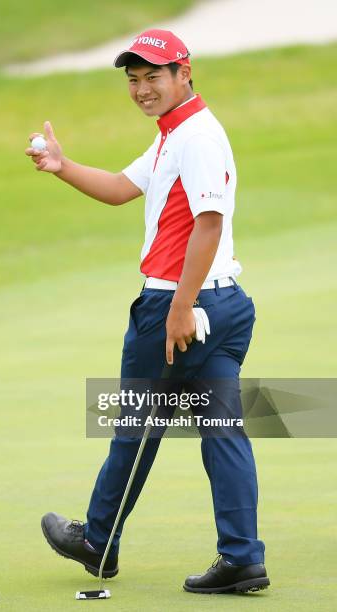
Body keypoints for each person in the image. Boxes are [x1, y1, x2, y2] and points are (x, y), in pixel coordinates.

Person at [25, 28, 269, 594]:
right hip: (221, 302)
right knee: (222, 431)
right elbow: (117, 187)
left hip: (180, 303)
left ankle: (98, 542)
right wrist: (61, 165)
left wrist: (180, 307)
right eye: (133, 80)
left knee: (135, 429)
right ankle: (241, 557)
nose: (141, 89)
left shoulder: (198, 138)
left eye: (153, 76)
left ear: (186, 73)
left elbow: (208, 223)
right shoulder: (174, 134)